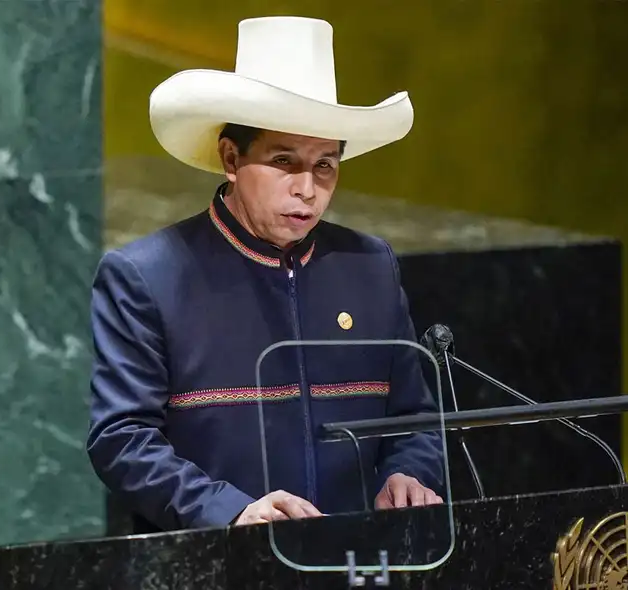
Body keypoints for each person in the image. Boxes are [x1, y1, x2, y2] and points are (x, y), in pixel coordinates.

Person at [87, 16, 445, 533]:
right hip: (213, 564)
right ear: (231, 157)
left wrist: (408, 472)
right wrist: (229, 510)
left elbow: (413, 419)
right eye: (284, 161)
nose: (307, 187)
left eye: (325, 164)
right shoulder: (145, 276)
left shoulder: (370, 266)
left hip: (357, 560)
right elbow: (121, 439)